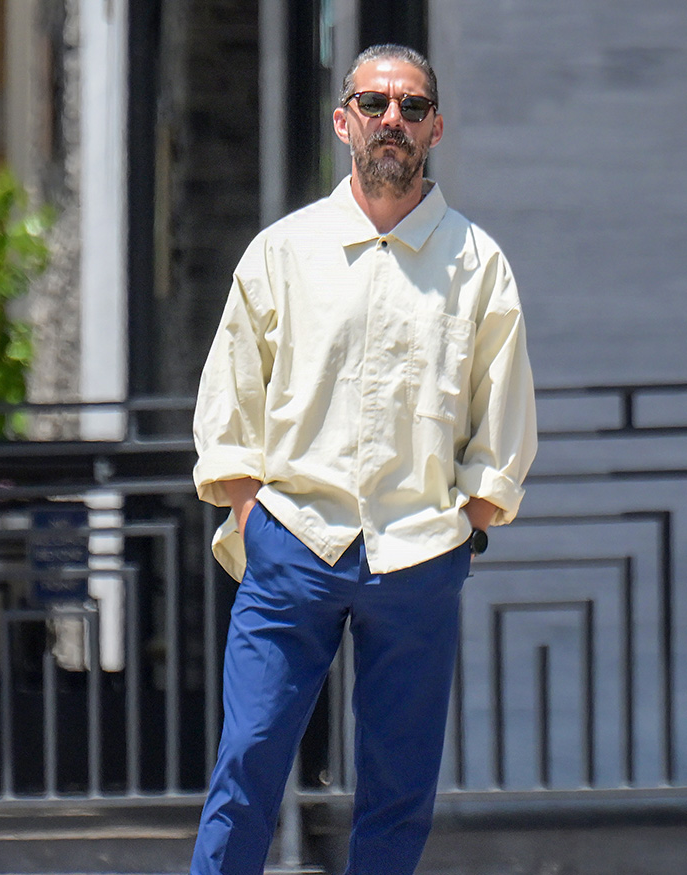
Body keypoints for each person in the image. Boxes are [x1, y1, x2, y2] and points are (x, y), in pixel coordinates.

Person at [190, 43, 537, 875]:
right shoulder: (283, 252)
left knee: (399, 790)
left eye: (411, 107)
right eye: (375, 103)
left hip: (418, 554)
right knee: (247, 766)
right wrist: (252, 516)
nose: (392, 119)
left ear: (435, 129)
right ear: (343, 119)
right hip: (293, 545)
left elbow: (504, 417)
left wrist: (466, 529)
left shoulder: (477, 264)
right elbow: (230, 398)